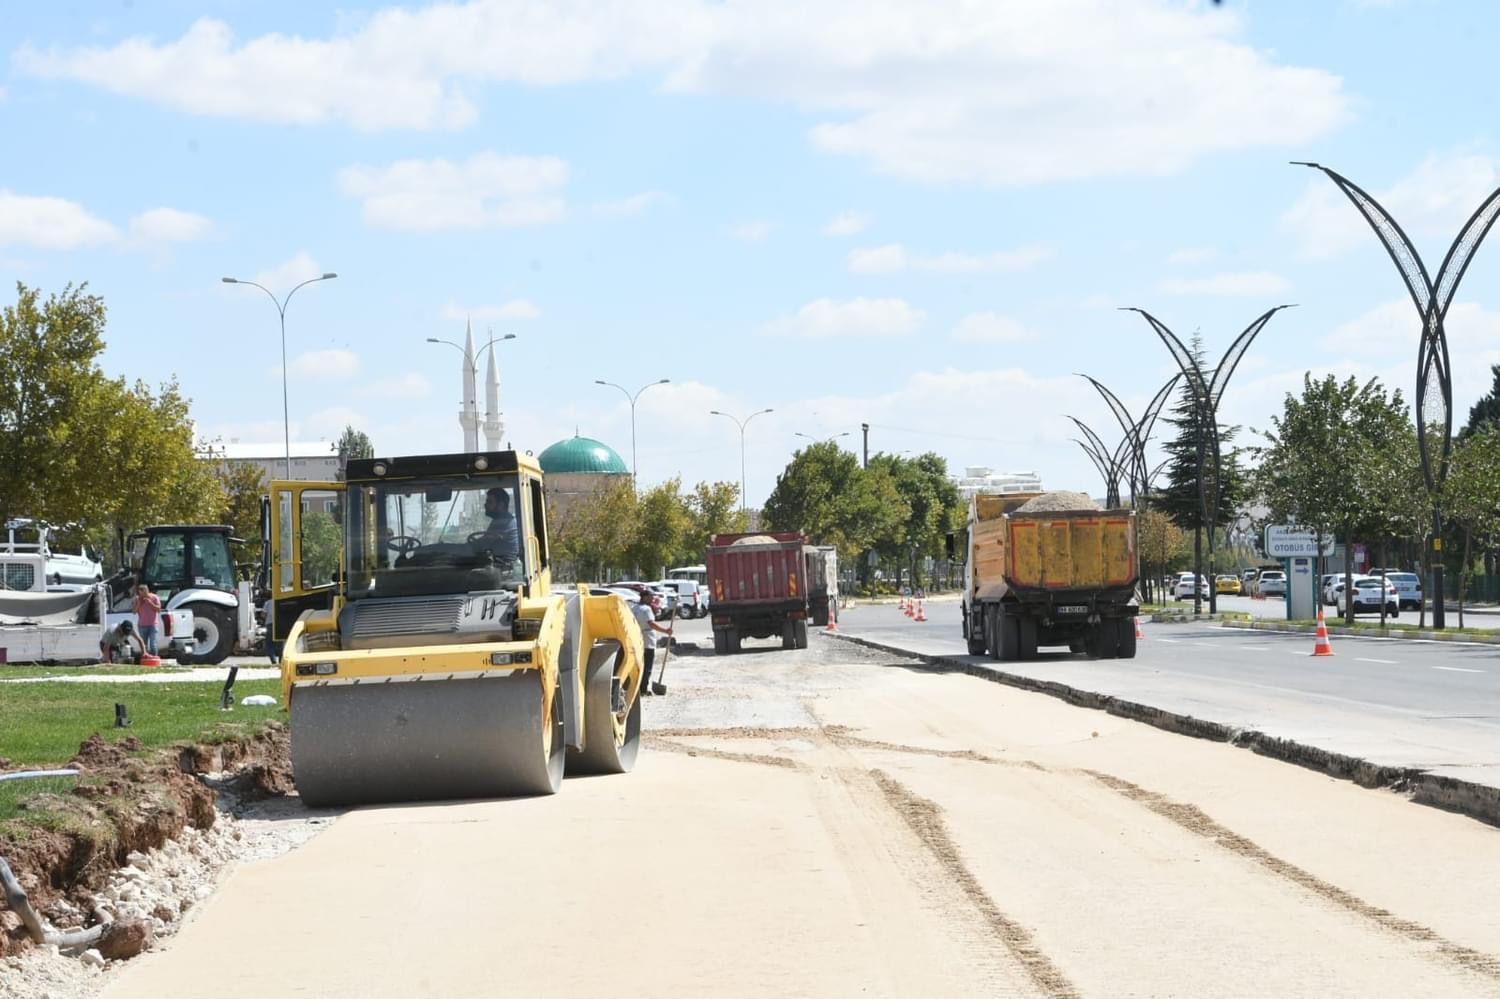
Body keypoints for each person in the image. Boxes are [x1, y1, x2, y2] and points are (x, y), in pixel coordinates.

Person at [630, 590, 671, 695]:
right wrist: (666, 631)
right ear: (644, 597)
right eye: (650, 597)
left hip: (635, 639)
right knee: (647, 667)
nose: (652, 599)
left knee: (638, 666)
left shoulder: (634, 608)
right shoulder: (646, 609)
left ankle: (637, 689)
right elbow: (651, 624)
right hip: (647, 640)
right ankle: (643, 690)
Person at [478, 487, 521, 565]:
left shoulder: (505, 522)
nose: (485, 505)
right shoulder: (498, 520)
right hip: (499, 564)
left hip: (505, 567)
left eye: (489, 502)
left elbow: (482, 543)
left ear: (501, 505)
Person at [133, 583, 162, 657]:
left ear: (147, 590)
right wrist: (139, 603)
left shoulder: (154, 597)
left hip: (153, 624)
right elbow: (134, 612)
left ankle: (154, 659)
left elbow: (158, 610)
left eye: (145, 593)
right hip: (142, 625)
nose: (143, 595)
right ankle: (145, 660)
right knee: (143, 644)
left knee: (153, 644)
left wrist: (150, 603)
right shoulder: (137, 599)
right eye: (141, 593)